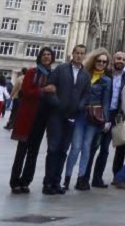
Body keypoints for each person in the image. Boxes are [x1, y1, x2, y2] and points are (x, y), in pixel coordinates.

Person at [42, 44, 90, 196]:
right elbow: (49, 86)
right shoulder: (61, 69)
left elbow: (86, 95)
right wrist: (56, 103)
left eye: (82, 54)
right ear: (72, 54)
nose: (79, 56)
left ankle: (56, 182)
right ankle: (47, 182)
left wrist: (79, 107)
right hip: (56, 114)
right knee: (53, 148)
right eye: (77, 53)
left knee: (63, 150)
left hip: (72, 115)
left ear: (84, 56)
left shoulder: (85, 75)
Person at [64, 49, 112, 191]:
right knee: (76, 148)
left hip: (94, 118)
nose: (101, 64)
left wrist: (106, 120)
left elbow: (106, 102)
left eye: (104, 62)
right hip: (80, 115)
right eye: (99, 61)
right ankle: (66, 179)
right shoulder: (85, 74)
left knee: (86, 148)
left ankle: (81, 179)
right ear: (93, 61)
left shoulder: (107, 80)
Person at [9, 47, 55, 193]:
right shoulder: (32, 72)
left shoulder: (53, 75)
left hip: (42, 117)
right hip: (28, 116)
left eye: (49, 55)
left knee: (33, 151)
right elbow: (26, 92)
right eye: (44, 55)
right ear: (39, 57)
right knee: (22, 150)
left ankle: (26, 181)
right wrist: (43, 90)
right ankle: (15, 181)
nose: (46, 57)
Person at [86, 49, 125, 187]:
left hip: (115, 115)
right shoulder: (105, 74)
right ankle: (84, 177)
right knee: (93, 147)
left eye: (123, 59)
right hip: (99, 113)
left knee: (105, 149)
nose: (120, 61)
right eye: (118, 58)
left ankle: (97, 178)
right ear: (113, 61)